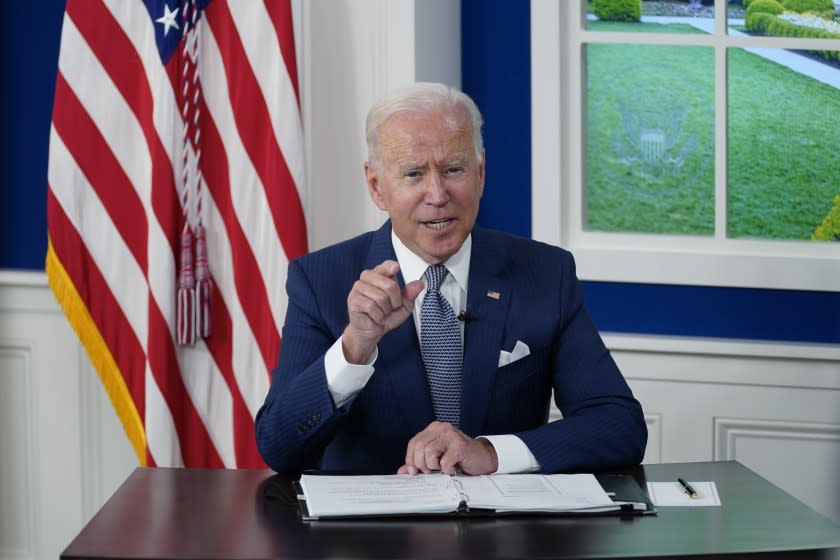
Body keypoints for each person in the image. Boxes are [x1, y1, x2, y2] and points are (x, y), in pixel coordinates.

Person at [255, 82, 646, 475]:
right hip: (369, 534)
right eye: (413, 174)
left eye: (453, 170)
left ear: (481, 173)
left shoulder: (544, 273)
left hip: (502, 531)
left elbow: (619, 425)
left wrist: (492, 453)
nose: (438, 194)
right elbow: (279, 446)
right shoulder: (321, 280)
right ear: (376, 186)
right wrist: (355, 346)